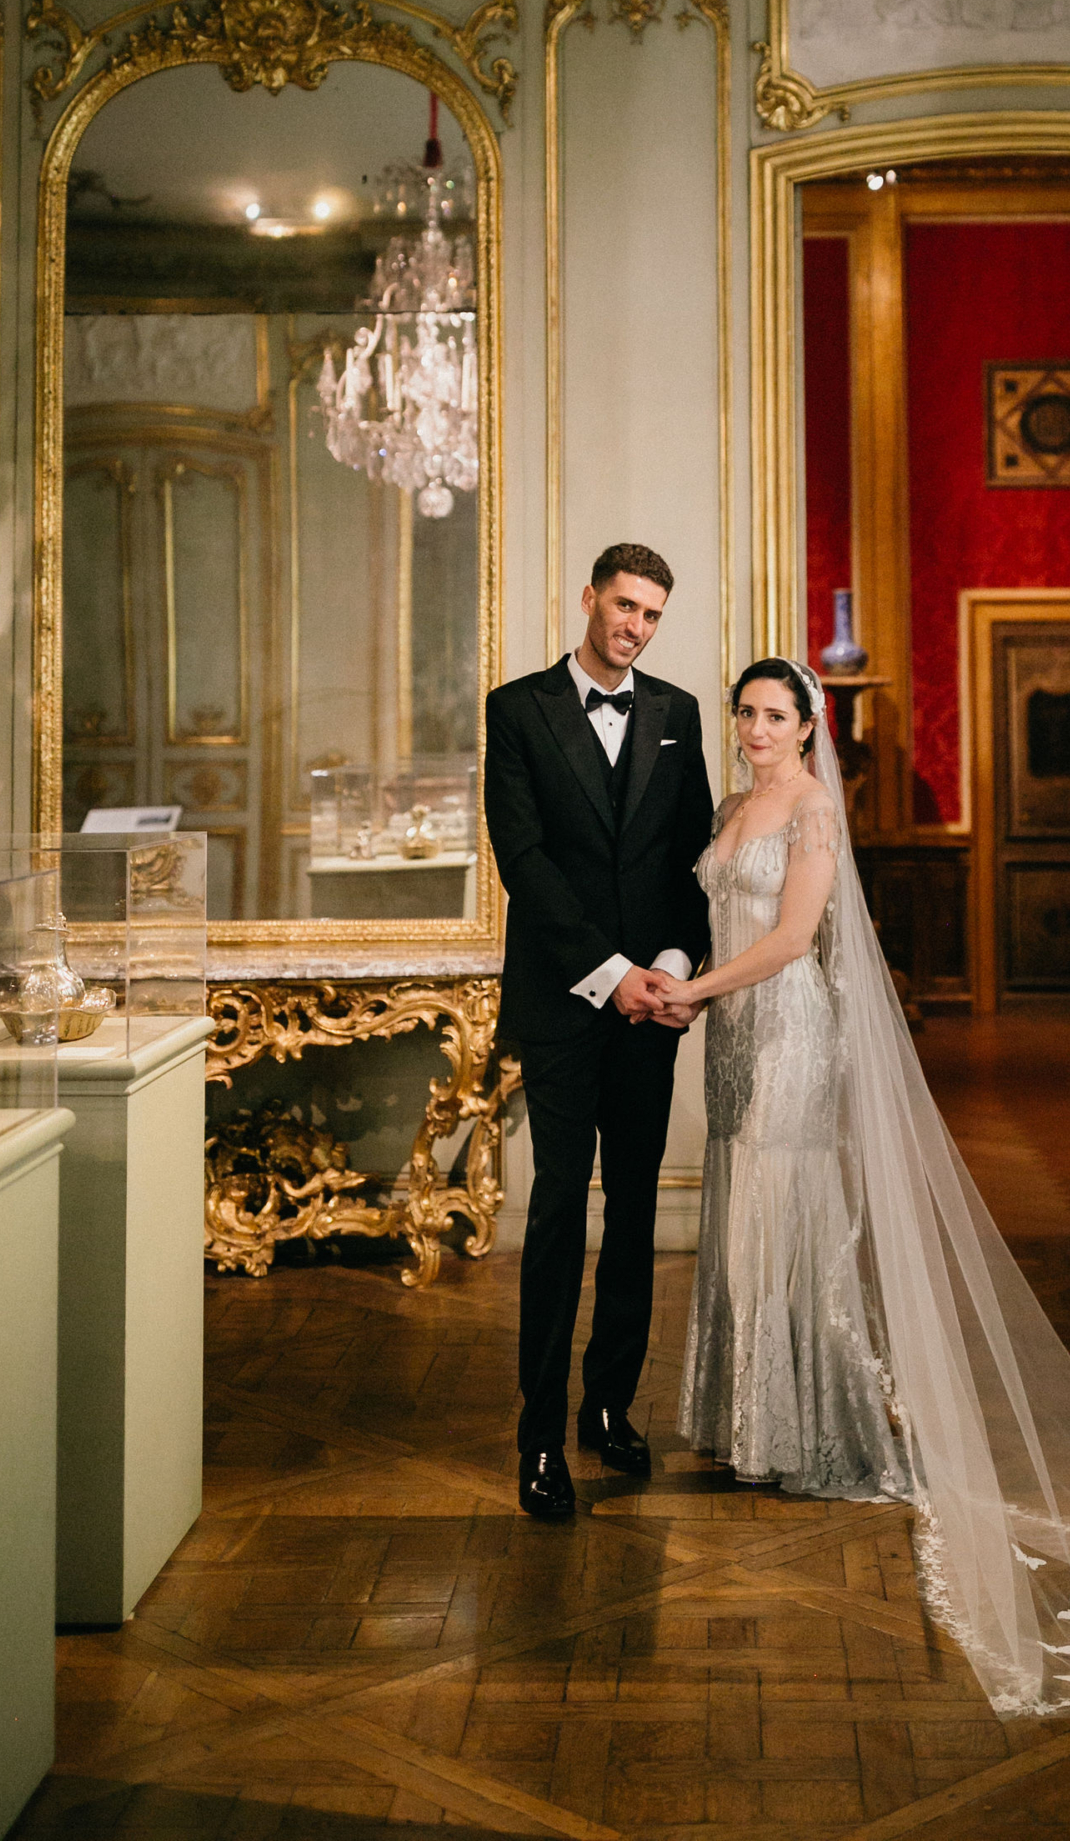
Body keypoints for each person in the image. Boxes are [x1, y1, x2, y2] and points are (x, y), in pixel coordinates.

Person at [662, 657, 1070, 1719]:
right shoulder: (733, 801)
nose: (754, 728)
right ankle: (751, 1425)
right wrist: (680, 979)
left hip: (789, 1033)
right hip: (733, 1038)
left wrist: (693, 990)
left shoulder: (815, 808)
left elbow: (793, 941)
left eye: (774, 714)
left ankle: (816, 1435)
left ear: (806, 725)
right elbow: (708, 911)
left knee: (785, 1221)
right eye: (745, 711)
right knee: (743, 1218)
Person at [483, 542, 714, 1522]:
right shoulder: (516, 709)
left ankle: (609, 1404)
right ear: (588, 598)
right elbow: (522, 861)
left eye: (653, 614)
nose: (636, 626)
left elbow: (693, 856)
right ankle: (539, 1439)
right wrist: (609, 976)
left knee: (632, 1215)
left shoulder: (679, 714)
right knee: (556, 1215)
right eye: (625, 606)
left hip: (652, 1009)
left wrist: (669, 962)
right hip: (565, 1004)